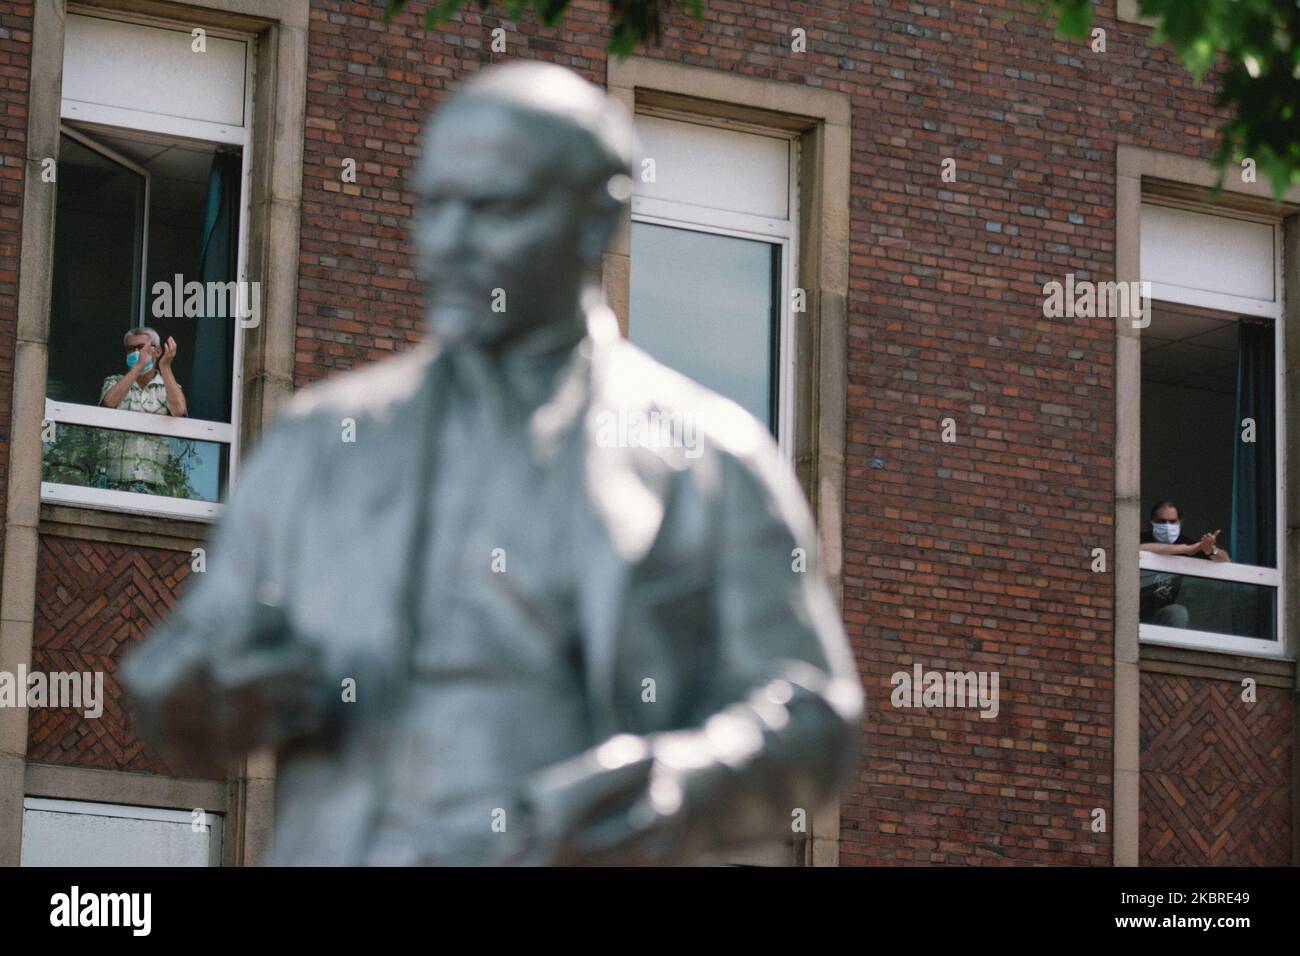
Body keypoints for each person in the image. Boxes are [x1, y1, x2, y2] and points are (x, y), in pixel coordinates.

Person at [121, 63, 863, 866]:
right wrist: (216, 692)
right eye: (435, 206)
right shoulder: (319, 444)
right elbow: (171, 677)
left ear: (595, 219)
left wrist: (676, 785)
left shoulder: (711, 457)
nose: (450, 243)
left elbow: (814, 713)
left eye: (494, 208)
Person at [98, 327, 187, 494]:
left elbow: (179, 411)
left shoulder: (168, 386)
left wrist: (166, 367)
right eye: (131, 349)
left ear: (158, 351)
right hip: (115, 479)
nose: (136, 352)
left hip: (154, 482)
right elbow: (109, 403)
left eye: (141, 347)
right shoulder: (114, 381)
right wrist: (138, 367)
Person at [1138, 500, 1230, 628]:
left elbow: (1226, 561)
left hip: (1159, 617)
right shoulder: (1139, 538)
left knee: (1177, 613)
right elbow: (1137, 549)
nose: (1167, 526)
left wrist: (1211, 549)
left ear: (1180, 523)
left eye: (1172, 522)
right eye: (1161, 521)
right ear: (1151, 523)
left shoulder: (1188, 543)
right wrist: (1186, 550)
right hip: (1131, 612)